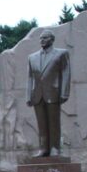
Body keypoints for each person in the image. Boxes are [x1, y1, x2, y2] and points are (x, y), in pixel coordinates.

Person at [26, 29, 71, 157]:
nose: (42, 41)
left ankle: (55, 148)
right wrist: (29, 95)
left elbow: (66, 73)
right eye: (40, 38)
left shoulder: (61, 54)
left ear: (52, 39)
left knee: (54, 122)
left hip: (53, 92)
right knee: (41, 123)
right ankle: (43, 148)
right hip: (37, 95)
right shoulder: (32, 57)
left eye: (45, 38)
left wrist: (64, 92)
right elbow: (30, 77)